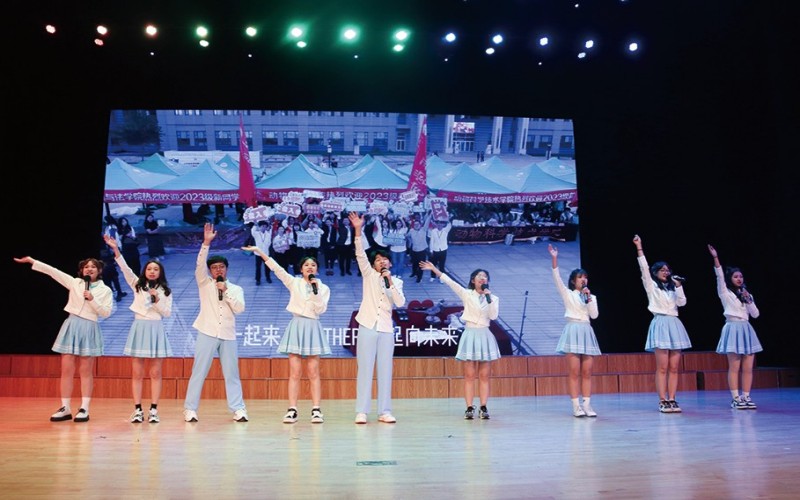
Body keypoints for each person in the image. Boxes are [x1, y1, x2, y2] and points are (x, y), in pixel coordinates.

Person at [13, 255, 113, 422]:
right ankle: (65, 407)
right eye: (86, 267)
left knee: (85, 371)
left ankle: (84, 408)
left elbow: (106, 313)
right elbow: (53, 272)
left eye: (93, 267)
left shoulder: (106, 290)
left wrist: (92, 299)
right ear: (82, 270)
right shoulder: (75, 283)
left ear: (99, 270)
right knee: (66, 369)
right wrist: (32, 261)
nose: (89, 269)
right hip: (71, 324)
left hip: (89, 327)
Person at [243, 245, 332, 423]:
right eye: (306, 265)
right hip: (297, 325)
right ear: (301, 269)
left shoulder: (323, 288)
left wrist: (315, 291)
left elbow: (320, 309)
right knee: (295, 372)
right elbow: (277, 269)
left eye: (313, 265)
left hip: (313, 326)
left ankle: (316, 410)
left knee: (313, 372)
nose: (310, 267)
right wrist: (260, 251)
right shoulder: (294, 282)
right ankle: (292, 409)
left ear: (317, 269)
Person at [104, 234, 173, 423]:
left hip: (156, 328)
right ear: (144, 271)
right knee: (137, 372)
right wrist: (115, 249)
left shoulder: (165, 291)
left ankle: (154, 410)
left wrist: (156, 300)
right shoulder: (137, 285)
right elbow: (125, 269)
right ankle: (137, 410)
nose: (152, 272)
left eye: (155, 269)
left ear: (160, 273)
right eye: (149, 269)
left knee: (155, 373)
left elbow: (166, 313)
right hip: (139, 327)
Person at [183, 223, 248, 423]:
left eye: (221, 267)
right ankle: (190, 409)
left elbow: (239, 309)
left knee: (232, 374)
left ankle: (238, 409)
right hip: (207, 331)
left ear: (226, 269)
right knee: (199, 371)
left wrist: (225, 291)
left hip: (228, 334)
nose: (218, 270)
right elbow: (199, 265)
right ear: (210, 271)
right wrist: (206, 243)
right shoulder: (204, 283)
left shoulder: (235, 289)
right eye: (214, 267)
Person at [419, 260, 499, 420]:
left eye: (485, 276)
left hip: (484, 333)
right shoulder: (467, 294)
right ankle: (469, 407)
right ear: (473, 280)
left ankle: (483, 407)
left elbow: (493, 316)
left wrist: (489, 298)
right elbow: (450, 282)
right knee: (469, 375)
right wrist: (434, 269)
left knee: (484, 375)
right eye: (479, 276)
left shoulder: (493, 298)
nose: (482, 278)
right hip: (470, 333)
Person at [349, 212, 406, 424]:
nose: (382, 262)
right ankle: (362, 411)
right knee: (365, 368)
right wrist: (357, 229)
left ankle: (384, 411)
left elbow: (399, 302)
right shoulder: (369, 274)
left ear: (389, 263)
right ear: (373, 264)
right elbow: (360, 254)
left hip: (386, 329)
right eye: (378, 260)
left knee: (385, 369)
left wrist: (389, 282)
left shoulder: (396, 281)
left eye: (385, 260)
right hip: (367, 325)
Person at [633, 234, 691, 413]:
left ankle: (672, 398)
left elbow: (682, 303)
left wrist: (679, 286)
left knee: (674, 367)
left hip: (674, 323)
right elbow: (644, 268)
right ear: (656, 272)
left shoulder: (673, 288)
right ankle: (662, 400)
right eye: (662, 270)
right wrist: (639, 247)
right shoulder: (652, 286)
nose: (666, 272)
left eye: (668, 270)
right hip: (660, 323)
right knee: (663, 366)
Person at [548, 244, 600, 417]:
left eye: (585, 277)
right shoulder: (568, 294)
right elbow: (557, 278)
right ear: (573, 281)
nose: (583, 280)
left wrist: (588, 298)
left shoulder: (591, 297)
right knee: (574, 372)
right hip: (573, 329)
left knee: (587, 372)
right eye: (580, 277)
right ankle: (576, 406)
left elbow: (594, 315)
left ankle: (587, 405)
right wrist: (554, 258)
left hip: (586, 330)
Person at [708, 244, 762, 409]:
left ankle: (746, 396)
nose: (739, 279)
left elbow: (755, 314)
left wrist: (749, 300)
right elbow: (719, 276)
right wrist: (716, 258)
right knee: (734, 366)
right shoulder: (725, 293)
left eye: (741, 276)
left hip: (746, 328)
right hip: (732, 327)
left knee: (748, 367)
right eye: (736, 277)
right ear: (730, 279)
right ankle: (736, 398)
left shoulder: (747, 294)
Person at [427, 217, 452, 283]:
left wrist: (445, 218)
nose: (439, 225)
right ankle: (432, 276)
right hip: (435, 250)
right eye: (438, 224)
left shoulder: (445, 230)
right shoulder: (433, 231)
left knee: (442, 265)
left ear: (443, 225)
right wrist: (431, 250)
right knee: (433, 264)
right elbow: (432, 241)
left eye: (441, 224)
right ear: (436, 224)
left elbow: (449, 225)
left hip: (443, 250)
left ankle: (441, 278)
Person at [252, 220, 273, 284]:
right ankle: (258, 280)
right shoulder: (256, 234)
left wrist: (265, 247)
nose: (263, 228)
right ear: (259, 227)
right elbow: (253, 231)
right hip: (258, 254)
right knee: (258, 267)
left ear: (266, 227)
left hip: (266, 253)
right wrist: (255, 225)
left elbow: (269, 242)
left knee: (267, 266)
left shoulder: (268, 234)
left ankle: (268, 278)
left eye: (265, 226)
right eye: (262, 226)